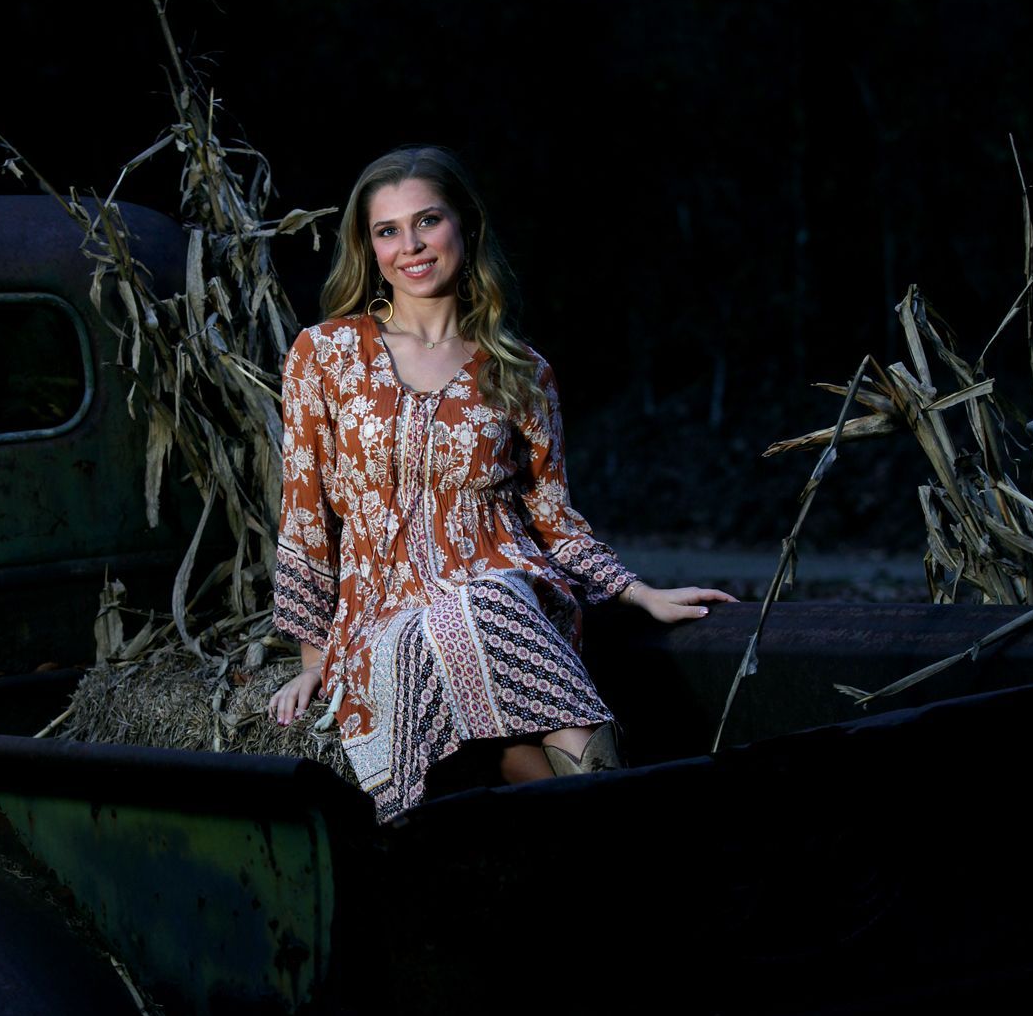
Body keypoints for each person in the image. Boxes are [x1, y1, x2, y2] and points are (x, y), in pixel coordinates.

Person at [268, 146, 734, 821]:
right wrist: (316, 656)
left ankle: (614, 847)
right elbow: (307, 518)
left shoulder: (520, 371)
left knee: (481, 607)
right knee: (483, 671)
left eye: (427, 221)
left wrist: (638, 592)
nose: (411, 246)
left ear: (464, 226)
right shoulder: (325, 355)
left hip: (507, 593)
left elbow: (554, 520)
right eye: (387, 231)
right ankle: (620, 847)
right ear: (368, 248)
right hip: (384, 616)